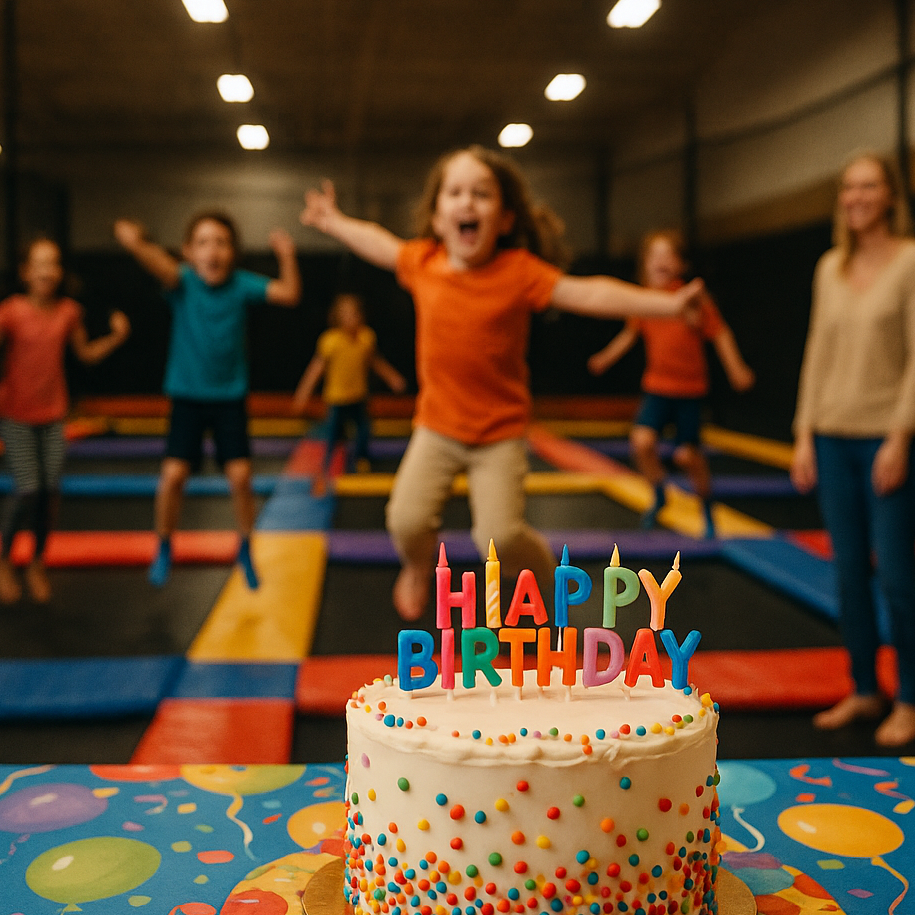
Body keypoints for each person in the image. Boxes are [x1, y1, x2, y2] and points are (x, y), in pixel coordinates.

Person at [301, 145, 703, 620]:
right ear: (436, 217)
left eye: (481, 194)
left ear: (506, 219)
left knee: (501, 538)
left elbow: (590, 292)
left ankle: (545, 574)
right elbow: (377, 242)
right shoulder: (422, 262)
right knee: (405, 522)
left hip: (500, 434)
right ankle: (415, 567)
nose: (467, 203)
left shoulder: (518, 273)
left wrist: (669, 306)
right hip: (437, 428)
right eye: (455, 193)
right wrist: (334, 221)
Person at [790, 151, 915, 748]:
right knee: (849, 574)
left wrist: (901, 434)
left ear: (890, 196)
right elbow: (816, 354)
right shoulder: (830, 267)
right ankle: (863, 687)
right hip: (832, 436)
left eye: (868, 186)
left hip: (890, 438)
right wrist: (804, 433)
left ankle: (909, 698)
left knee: (896, 573)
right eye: (848, 187)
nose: (856, 196)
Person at [114, 212, 301, 590]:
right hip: (187, 398)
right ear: (188, 253)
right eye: (203, 243)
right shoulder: (182, 282)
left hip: (229, 399)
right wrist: (138, 244)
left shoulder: (241, 285)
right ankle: (165, 543)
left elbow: (289, 294)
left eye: (221, 242)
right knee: (173, 476)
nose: (213, 251)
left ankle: (246, 546)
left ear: (233, 253)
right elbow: (160, 265)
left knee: (241, 477)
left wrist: (287, 255)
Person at [0, 237, 131, 604]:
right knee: (28, 488)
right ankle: (2, 560)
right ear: (26, 272)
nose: (48, 271)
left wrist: (116, 338)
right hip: (14, 414)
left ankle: (37, 562)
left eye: (54, 263)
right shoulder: (9, 312)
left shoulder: (69, 312)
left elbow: (85, 354)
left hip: (54, 415)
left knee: (49, 494)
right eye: (40, 264)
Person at [586, 229, 755, 538]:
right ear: (645, 265)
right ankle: (660, 492)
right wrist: (605, 358)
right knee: (641, 442)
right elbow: (629, 335)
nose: (661, 263)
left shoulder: (692, 300)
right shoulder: (645, 300)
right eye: (654, 257)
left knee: (686, 456)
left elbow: (720, 333)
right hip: (657, 388)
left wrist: (736, 369)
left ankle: (706, 504)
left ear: (680, 265)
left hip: (688, 392)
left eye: (668, 256)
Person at [291, 293, 406, 492]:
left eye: (354, 314)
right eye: (346, 314)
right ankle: (325, 470)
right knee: (333, 436)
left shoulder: (366, 337)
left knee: (364, 430)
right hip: (336, 399)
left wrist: (392, 377)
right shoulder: (330, 341)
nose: (351, 318)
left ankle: (361, 458)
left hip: (358, 397)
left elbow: (374, 361)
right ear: (337, 318)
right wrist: (302, 394)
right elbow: (315, 369)